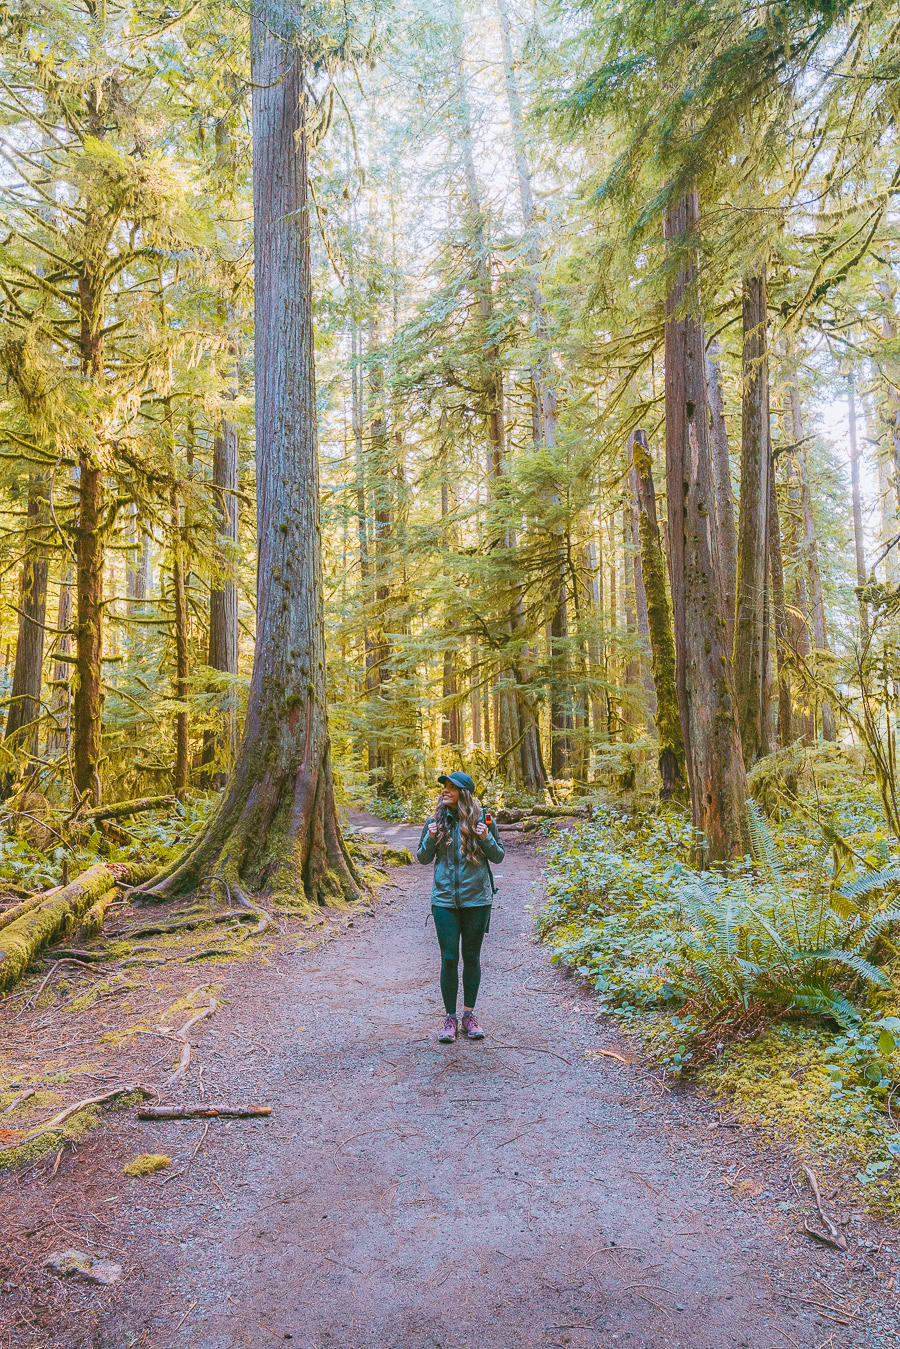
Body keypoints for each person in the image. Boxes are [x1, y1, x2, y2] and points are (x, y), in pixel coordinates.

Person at [416, 770, 504, 1043]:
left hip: (477, 899)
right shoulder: (434, 821)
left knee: (472, 956)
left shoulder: (483, 819)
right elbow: (421, 857)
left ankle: (469, 1015)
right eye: (444, 787)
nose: (445, 791)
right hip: (444, 901)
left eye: (451, 788)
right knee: (449, 958)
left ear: (463, 793)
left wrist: (485, 837)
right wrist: (430, 838)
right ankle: (450, 1018)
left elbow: (498, 856)